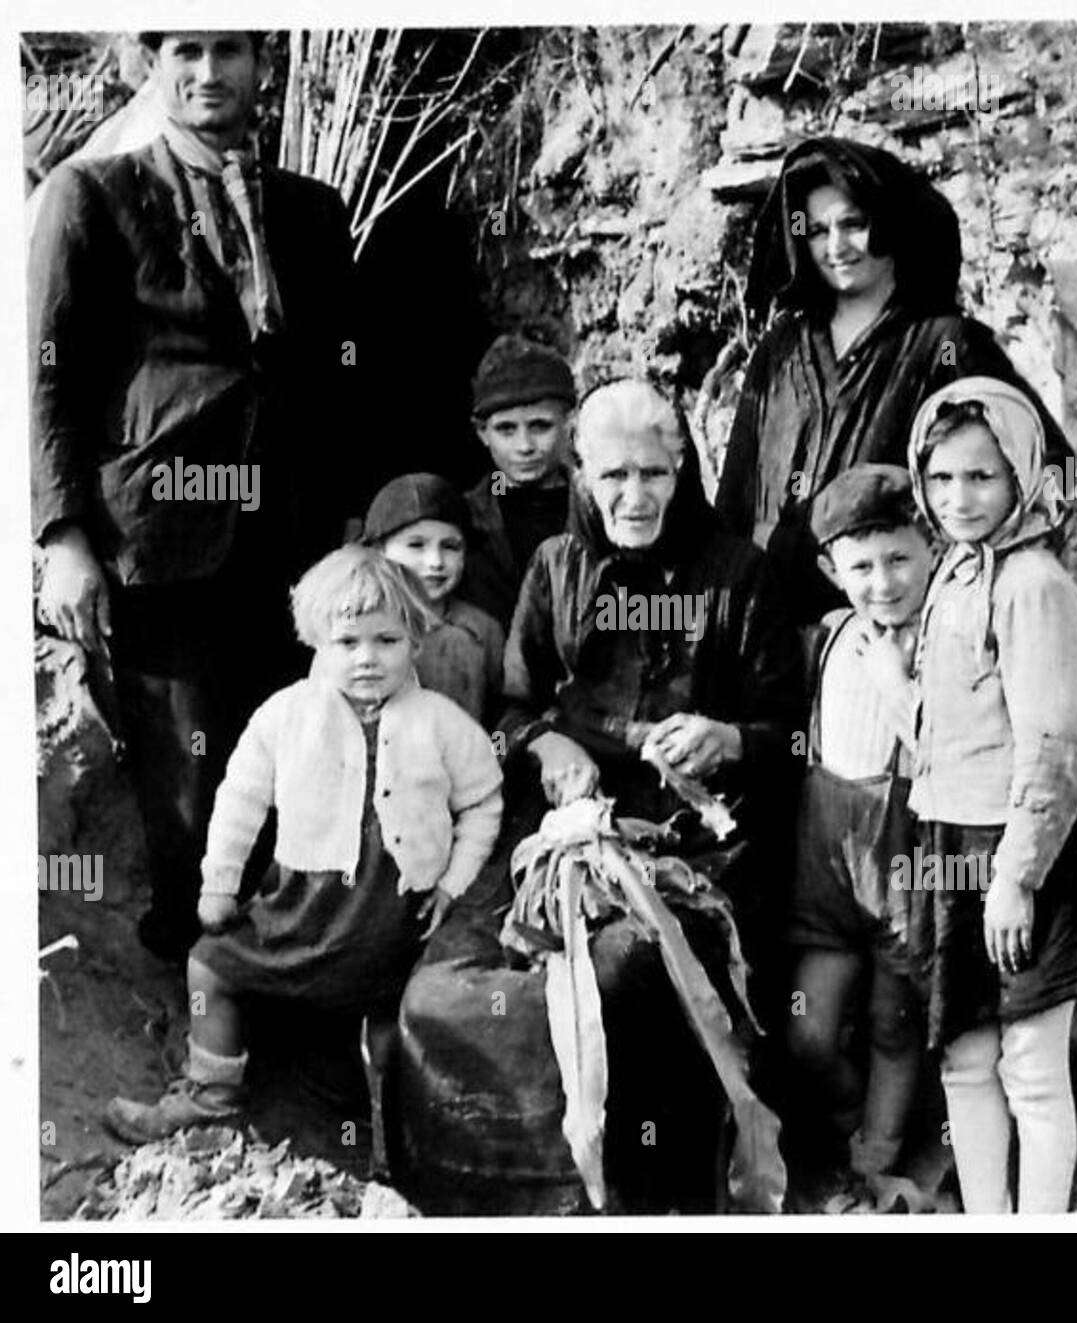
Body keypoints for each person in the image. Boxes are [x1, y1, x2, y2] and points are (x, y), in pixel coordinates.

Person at [399, 379, 803, 1212]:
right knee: (446, 980)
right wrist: (549, 743)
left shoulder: (740, 574)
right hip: (565, 832)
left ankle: (632, 1196)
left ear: (682, 467)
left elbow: (788, 735)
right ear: (580, 473)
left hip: (699, 842)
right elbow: (511, 713)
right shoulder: (556, 567)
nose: (635, 495)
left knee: (618, 971)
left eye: (652, 473)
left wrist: (726, 738)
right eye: (613, 476)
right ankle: (478, 1195)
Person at [30, 30, 362, 959]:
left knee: (294, 772)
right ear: (150, 65)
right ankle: (197, 1009)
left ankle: (282, 995)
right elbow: (48, 381)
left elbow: (343, 383)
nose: (208, 72)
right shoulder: (90, 197)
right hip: (160, 544)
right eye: (185, 50)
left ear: (265, 67)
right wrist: (63, 538)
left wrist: (346, 525)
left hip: (287, 547)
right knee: (189, 788)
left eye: (230, 51)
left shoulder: (313, 213)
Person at [103, 546, 503, 1142]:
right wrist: (219, 885)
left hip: (390, 918)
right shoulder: (285, 716)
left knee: (396, 1019)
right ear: (316, 640)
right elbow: (240, 802)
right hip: (301, 909)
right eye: (347, 643)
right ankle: (214, 1091)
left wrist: (452, 883)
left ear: (416, 641)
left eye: (386, 641)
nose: (367, 659)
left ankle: (397, 1130)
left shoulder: (442, 723)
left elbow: (482, 802)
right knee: (210, 967)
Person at [900, 376, 1077, 1214]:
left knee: (1032, 1065)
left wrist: (1015, 877)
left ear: (1022, 474)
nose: (959, 498)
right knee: (965, 1057)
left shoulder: (1032, 583)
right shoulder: (954, 573)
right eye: (941, 478)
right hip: (954, 841)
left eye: (982, 477)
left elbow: (1055, 743)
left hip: (1027, 851)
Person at [715, 136, 1070, 624]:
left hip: (889, 627)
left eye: (853, 225)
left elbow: (1046, 464)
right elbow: (735, 492)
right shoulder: (780, 350)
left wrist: (966, 579)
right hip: (770, 634)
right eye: (818, 230)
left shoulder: (943, 343)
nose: (835, 246)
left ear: (890, 225)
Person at [785, 464, 930, 1197]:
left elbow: (949, 747)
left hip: (904, 864)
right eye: (862, 565)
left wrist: (898, 679)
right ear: (829, 568)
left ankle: (878, 1159)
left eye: (900, 558)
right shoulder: (829, 637)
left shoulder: (943, 643)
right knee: (808, 1029)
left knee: (894, 1020)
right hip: (827, 869)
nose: (883, 582)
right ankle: (847, 1122)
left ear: (932, 548)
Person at [364, 473, 504, 724]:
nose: (436, 562)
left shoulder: (483, 632)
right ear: (379, 552)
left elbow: (502, 719)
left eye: (450, 547)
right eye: (416, 545)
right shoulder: (353, 626)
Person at [460, 334, 577, 631]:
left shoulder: (606, 512)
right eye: (506, 429)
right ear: (482, 433)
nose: (524, 446)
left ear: (569, 422)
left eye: (540, 426)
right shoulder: (461, 522)